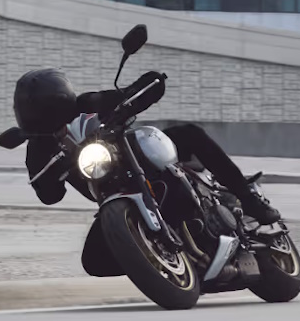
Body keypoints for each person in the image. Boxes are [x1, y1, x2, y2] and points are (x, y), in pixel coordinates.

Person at [14, 67, 279, 223]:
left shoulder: (87, 105)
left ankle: (248, 198)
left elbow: (129, 94)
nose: (45, 120)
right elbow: (49, 196)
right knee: (94, 259)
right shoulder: (39, 147)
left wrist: (144, 87)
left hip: (141, 160)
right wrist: (53, 174)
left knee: (189, 134)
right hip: (111, 196)